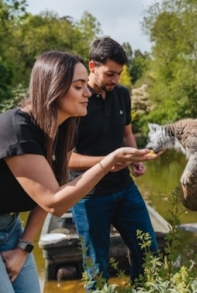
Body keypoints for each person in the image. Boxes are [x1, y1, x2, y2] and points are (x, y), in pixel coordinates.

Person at [0, 50, 158, 293]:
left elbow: (50, 193)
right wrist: (107, 162)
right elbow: (55, 203)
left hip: (11, 227)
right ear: (54, 88)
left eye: (86, 85)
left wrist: (23, 248)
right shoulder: (16, 128)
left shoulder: (61, 129)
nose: (87, 93)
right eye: (78, 86)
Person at [68, 37, 163, 291]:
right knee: (97, 269)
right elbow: (66, 159)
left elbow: (126, 133)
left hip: (124, 189)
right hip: (89, 195)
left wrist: (135, 159)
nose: (115, 80)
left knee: (148, 251)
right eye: (110, 73)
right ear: (92, 66)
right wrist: (108, 162)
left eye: (119, 74)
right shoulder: (75, 100)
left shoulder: (121, 94)